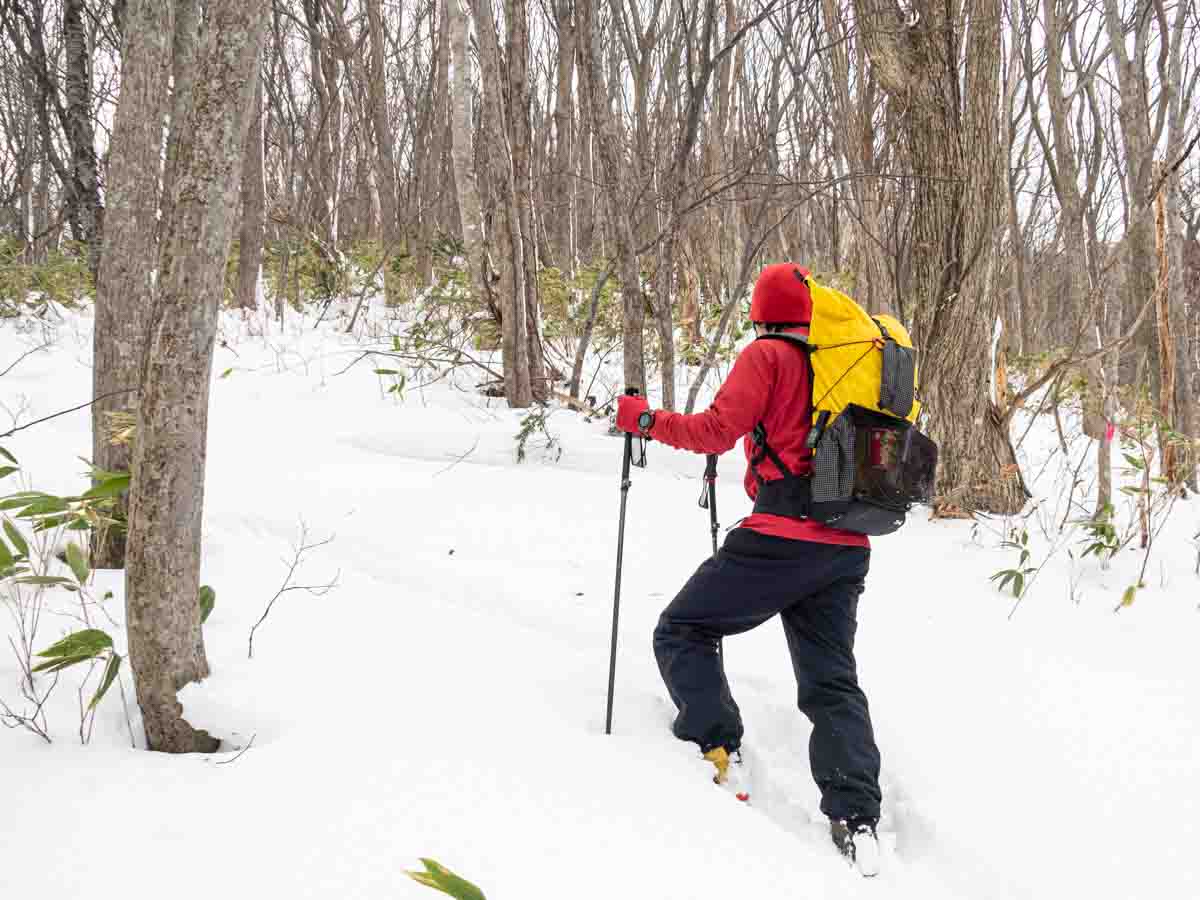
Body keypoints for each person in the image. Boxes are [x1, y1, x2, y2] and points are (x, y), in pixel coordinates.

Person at [615, 263, 883, 875]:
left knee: (682, 628)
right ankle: (858, 816)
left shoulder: (767, 357)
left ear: (762, 313)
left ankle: (718, 746)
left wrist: (644, 420)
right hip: (846, 546)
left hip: (780, 539)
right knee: (831, 681)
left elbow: (716, 432)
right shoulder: (842, 364)